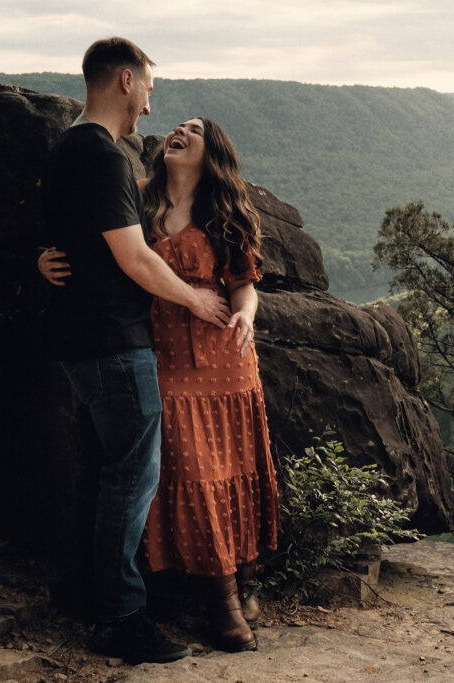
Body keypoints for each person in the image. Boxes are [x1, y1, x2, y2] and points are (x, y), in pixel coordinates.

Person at [40, 116, 279, 653]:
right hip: (157, 353)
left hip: (224, 360)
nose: (177, 130)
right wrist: (42, 258)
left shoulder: (227, 210)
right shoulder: (137, 197)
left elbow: (244, 283)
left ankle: (240, 586)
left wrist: (246, 315)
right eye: (176, 125)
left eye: (193, 129)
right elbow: (93, 236)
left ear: (211, 149)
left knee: (231, 469)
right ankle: (219, 601)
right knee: (187, 472)